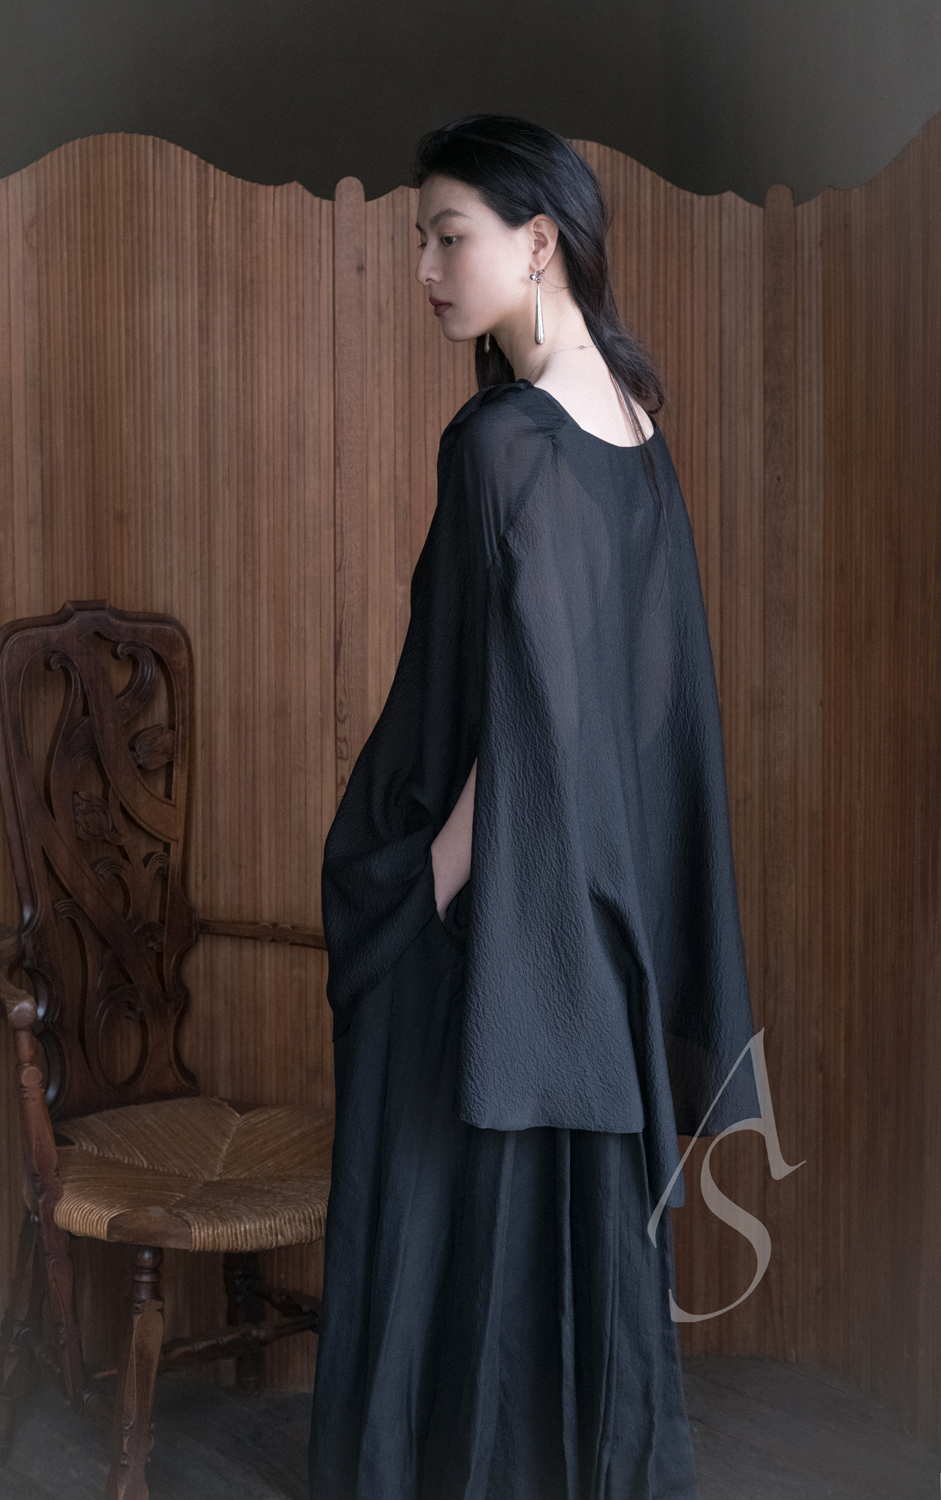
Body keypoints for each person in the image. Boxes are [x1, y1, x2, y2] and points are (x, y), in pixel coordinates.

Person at [309, 114, 761, 1500]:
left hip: (496, 919)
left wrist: (430, 881)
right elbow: (641, 706)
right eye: (421, 242)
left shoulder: (505, 440)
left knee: (444, 1215)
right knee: (562, 1259)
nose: (426, 270)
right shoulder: (633, 420)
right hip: (598, 919)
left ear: (539, 239)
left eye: (449, 237)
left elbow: (529, 713)